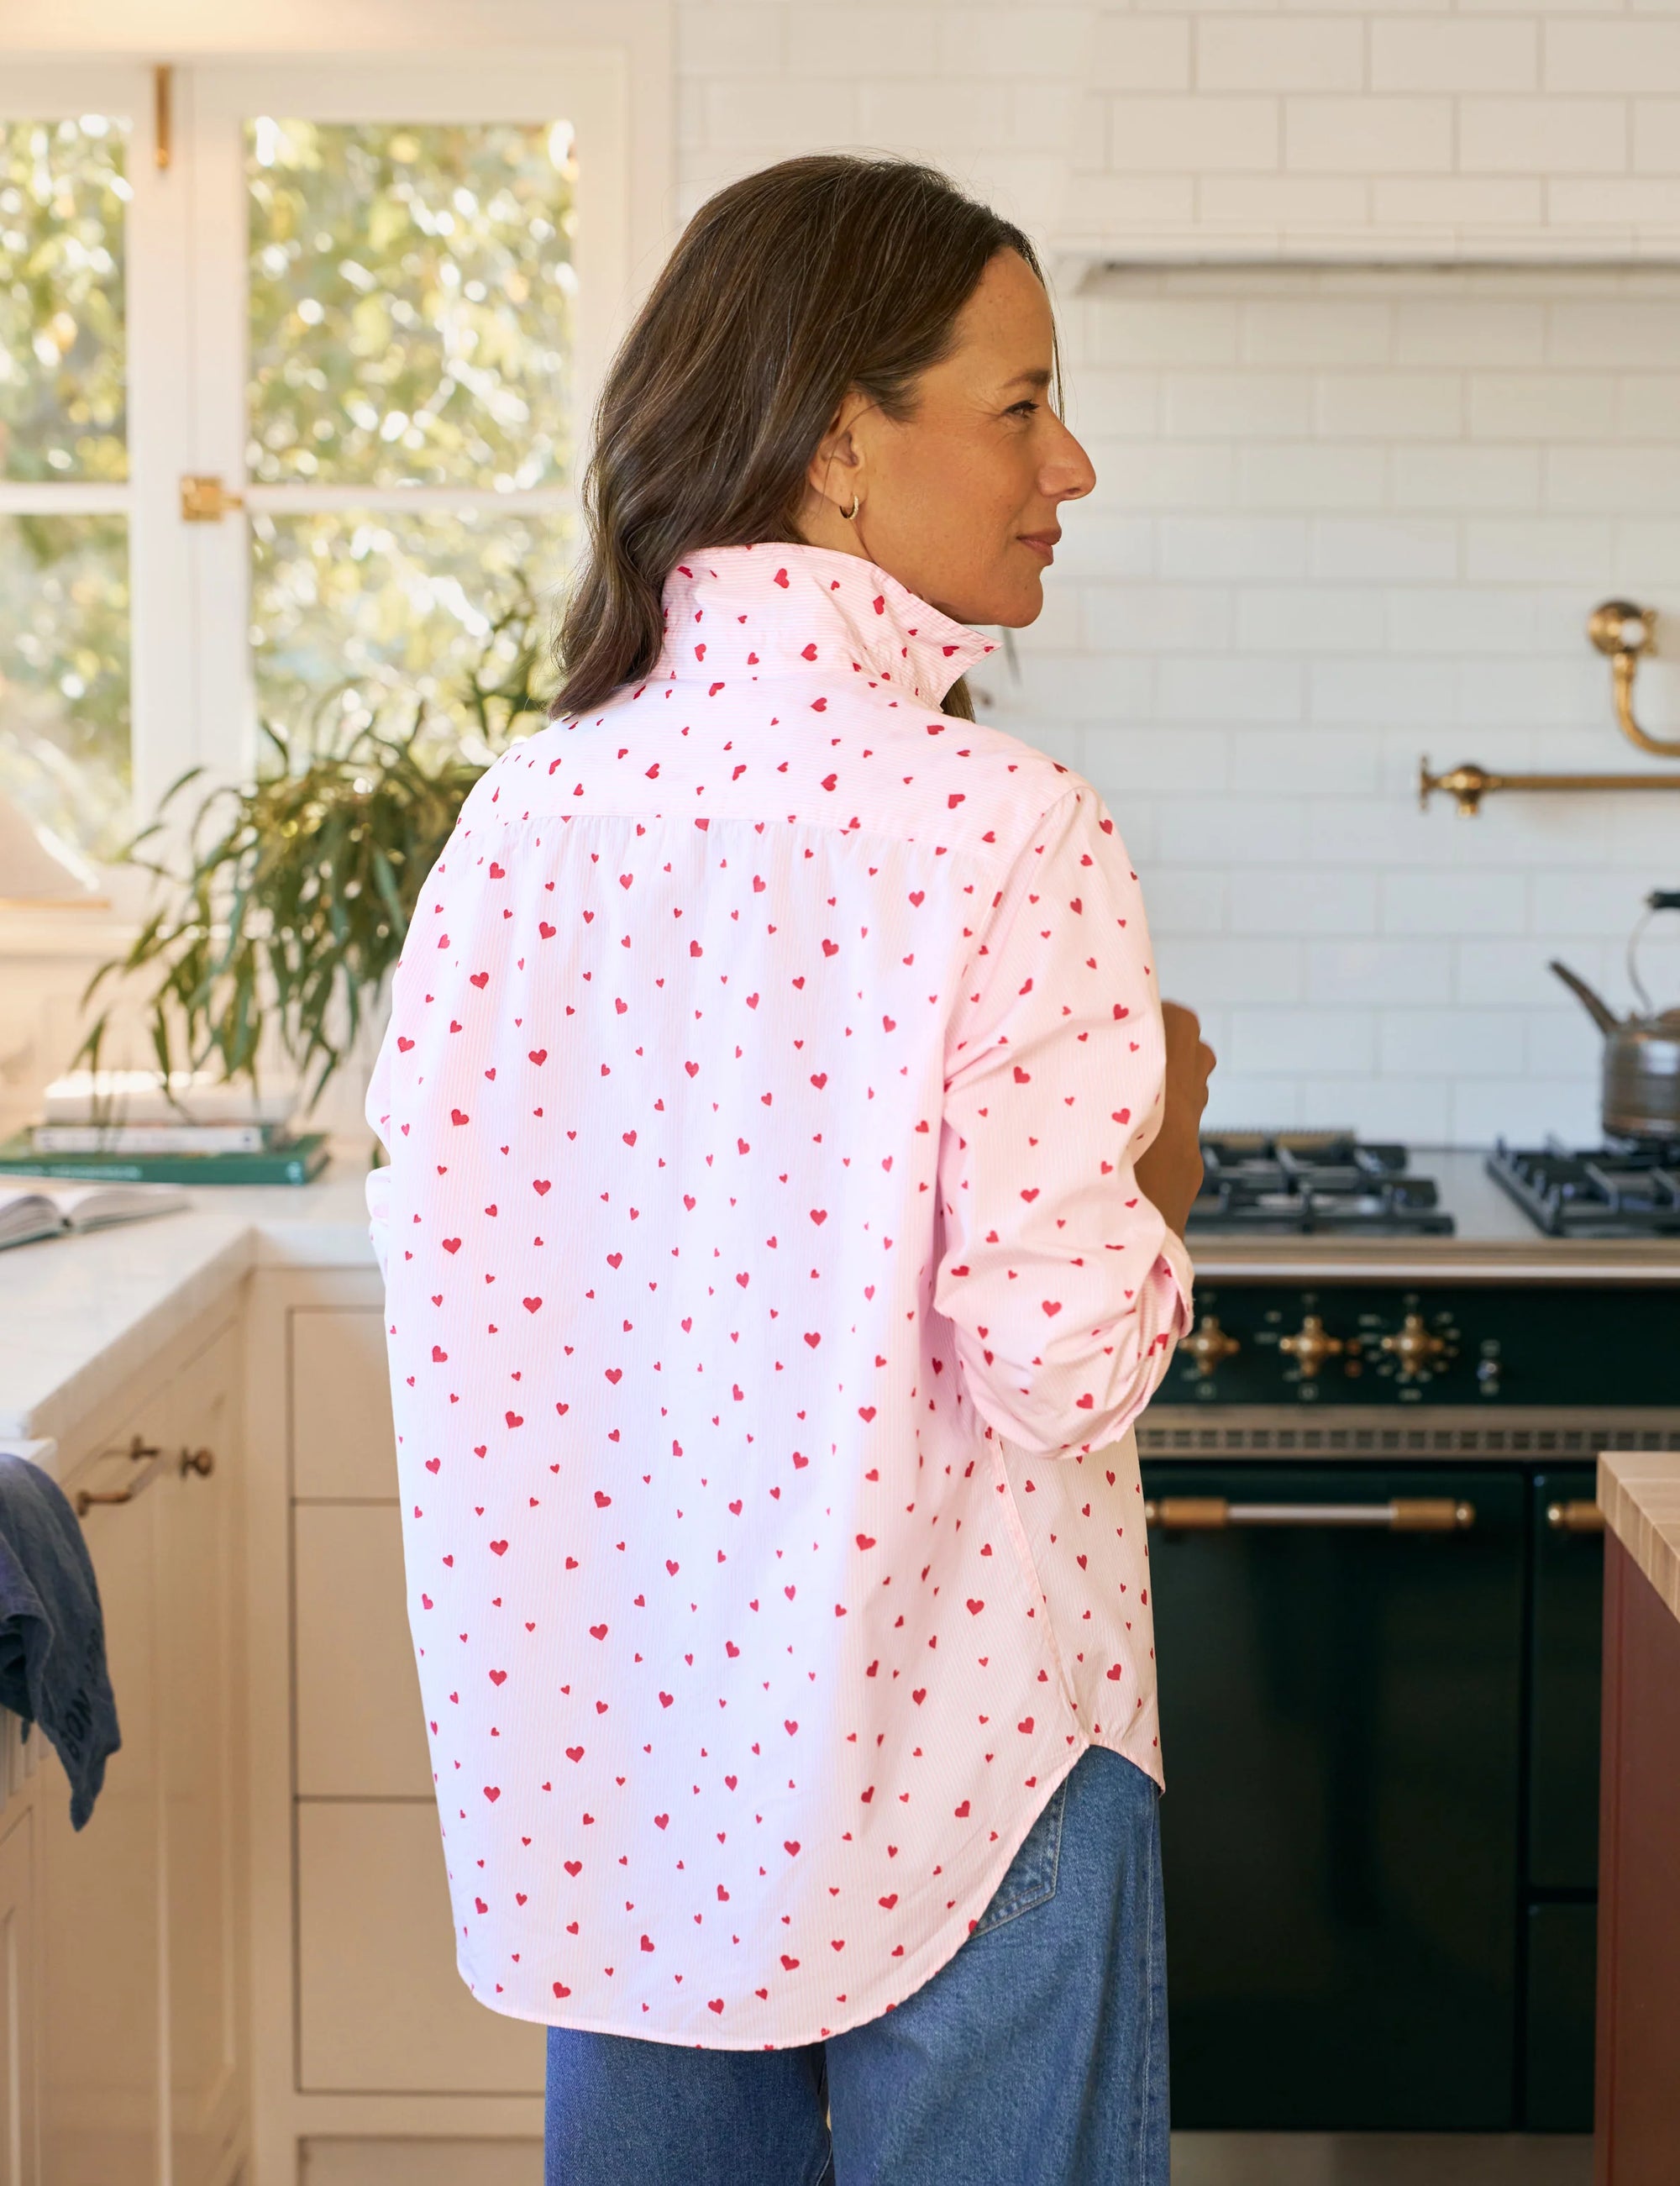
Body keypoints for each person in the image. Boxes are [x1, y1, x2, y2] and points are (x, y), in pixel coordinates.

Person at [365, 151, 1215, 2186]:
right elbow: (1062, 1367)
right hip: (978, 1749)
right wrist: (1165, 1138)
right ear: (845, 442)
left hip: (622, 1772)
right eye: (1019, 402)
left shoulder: (524, 820)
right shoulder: (1004, 824)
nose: (1067, 462)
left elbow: (461, 1289)